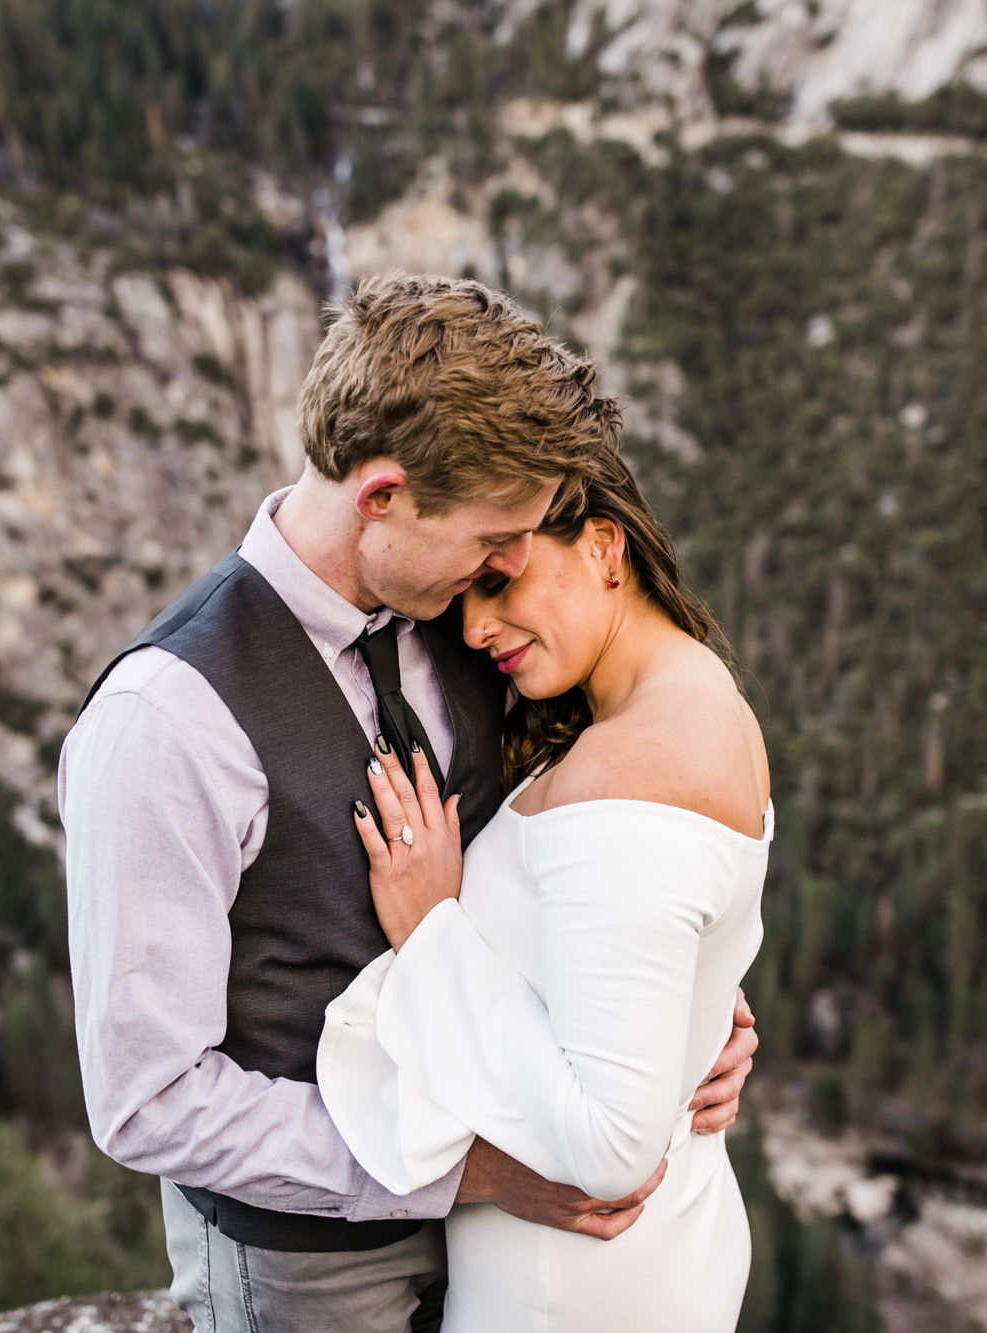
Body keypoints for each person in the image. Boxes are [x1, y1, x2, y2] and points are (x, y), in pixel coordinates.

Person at [60, 275, 759, 1333]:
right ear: (381, 496)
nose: (508, 569)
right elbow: (145, 1099)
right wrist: (458, 1171)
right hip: (309, 1271)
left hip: (503, 1248)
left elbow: (596, 876)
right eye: (491, 539)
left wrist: (684, 1013)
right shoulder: (166, 719)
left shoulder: (456, 617)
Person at [316, 444, 770, 1331]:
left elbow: (608, 1147)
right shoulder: (694, 699)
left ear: (605, 548)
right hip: (645, 1258)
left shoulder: (633, 766)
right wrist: (693, 1015)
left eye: (500, 583)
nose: (475, 629)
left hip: (570, 1291)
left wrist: (431, 931)